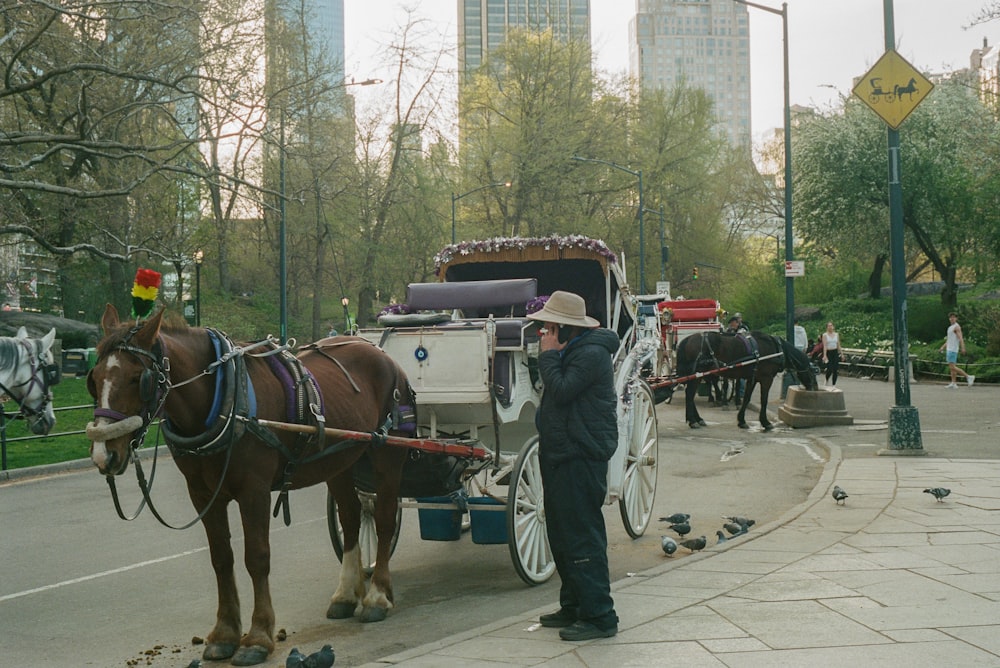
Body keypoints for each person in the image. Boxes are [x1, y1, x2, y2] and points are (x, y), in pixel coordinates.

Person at [526, 290, 620, 641]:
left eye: (551, 328)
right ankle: (574, 604)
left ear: (567, 330)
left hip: (581, 456)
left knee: (582, 537)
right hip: (561, 454)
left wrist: (547, 357)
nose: (545, 334)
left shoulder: (592, 354)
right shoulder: (574, 351)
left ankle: (600, 616)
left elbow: (563, 390)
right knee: (562, 535)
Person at [939, 312, 974, 388]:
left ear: (956, 318)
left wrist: (963, 348)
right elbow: (948, 340)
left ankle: (968, 377)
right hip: (949, 349)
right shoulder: (950, 328)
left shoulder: (956, 327)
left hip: (953, 349)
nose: (952, 318)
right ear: (949, 318)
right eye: (951, 317)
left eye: (954, 317)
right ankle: (953, 383)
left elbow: (960, 338)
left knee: (952, 367)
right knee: (952, 367)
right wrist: (943, 347)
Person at [821, 321, 842, 386]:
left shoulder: (836, 334)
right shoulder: (825, 335)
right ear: (827, 327)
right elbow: (825, 345)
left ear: (833, 327)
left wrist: (841, 353)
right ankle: (826, 379)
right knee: (829, 369)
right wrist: (825, 355)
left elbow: (838, 344)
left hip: (835, 352)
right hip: (828, 352)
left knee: (835, 369)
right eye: (829, 326)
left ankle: (834, 384)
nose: (830, 327)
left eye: (831, 326)